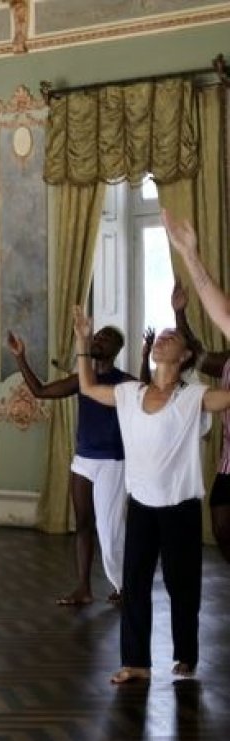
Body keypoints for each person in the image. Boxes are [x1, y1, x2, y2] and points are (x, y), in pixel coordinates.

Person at [72, 306, 227, 683]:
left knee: (182, 585)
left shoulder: (194, 397)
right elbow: (89, 387)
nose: (163, 339)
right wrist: (81, 341)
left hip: (181, 507)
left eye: (173, 338)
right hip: (140, 504)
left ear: (186, 355)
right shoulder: (129, 392)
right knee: (135, 583)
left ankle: (186, 655)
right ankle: (136, 662)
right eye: (161, 336)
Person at [6, 326, 133, 605]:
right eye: (97, 336)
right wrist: (20, 357)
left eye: (107, 338)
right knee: (84, 525)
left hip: (113, 460)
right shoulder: (81, 379)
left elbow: (147, 395)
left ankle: (125, 586)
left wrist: (147, 354)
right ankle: (84, 588)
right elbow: (40, 391)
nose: (99, 340)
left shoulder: (124, 382)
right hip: (84, 459)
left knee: (110, 530)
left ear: (117, 349)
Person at [161, 210, 230, 562]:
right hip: (229, 464)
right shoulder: (226, 362)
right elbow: (199, 352)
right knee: (221, 527)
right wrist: (180, 315)